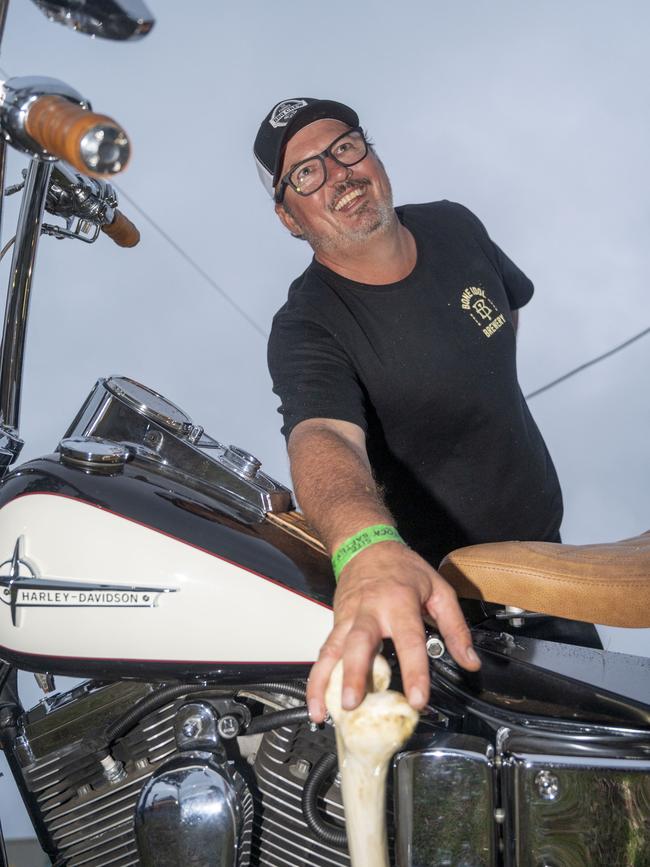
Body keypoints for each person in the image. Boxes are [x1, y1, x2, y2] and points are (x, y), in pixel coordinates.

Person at [254, 98, 564, 724]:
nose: (337, 173)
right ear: (290, 218)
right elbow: (322, 438)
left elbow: (506, 311)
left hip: (554, 567)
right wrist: (366, 549)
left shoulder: (455, 226)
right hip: (441, 608)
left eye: (344, 147)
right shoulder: (307, 327)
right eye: (305, 174)